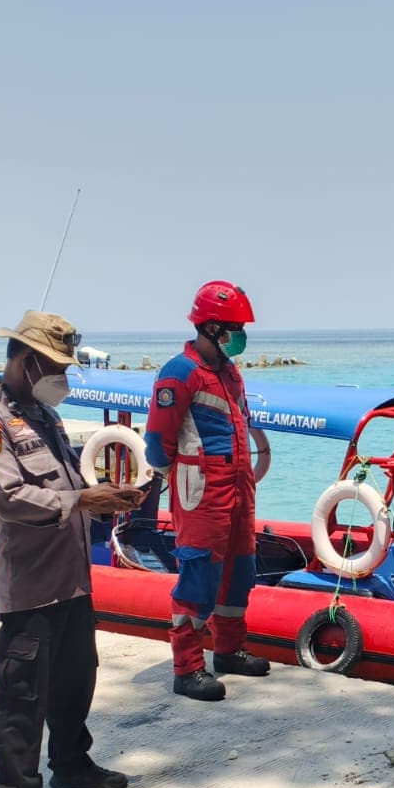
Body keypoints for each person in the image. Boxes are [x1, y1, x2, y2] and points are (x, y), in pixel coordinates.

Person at [0, 311, 146, 788]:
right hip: (30, 583)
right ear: (26, 362)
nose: (64, 379)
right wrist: (82, 498)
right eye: (56, 368)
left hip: (71, 577)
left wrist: (105, 500)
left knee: (75, 678)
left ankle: (71, 762)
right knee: (23, 690)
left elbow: (64, 485)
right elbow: (9, 498)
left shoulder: (43, 417)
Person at [143, 281, 270, 701]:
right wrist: (178, 477)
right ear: (212, 326)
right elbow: (157, 441)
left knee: (240, 568)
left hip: (238, 485)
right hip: (201, 488)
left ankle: (229, 650)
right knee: (200, 572)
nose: (241, 335)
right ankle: (188, 668)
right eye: (234, 327)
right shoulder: (179, 372)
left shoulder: (230, 372)